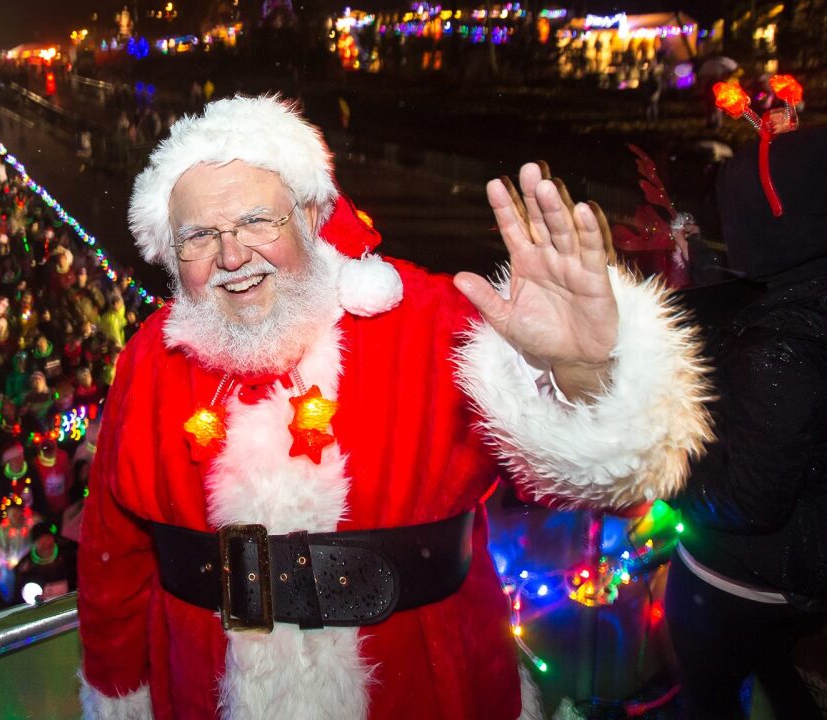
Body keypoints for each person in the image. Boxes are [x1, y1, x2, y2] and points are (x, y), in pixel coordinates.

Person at [77, 96, 711, 719]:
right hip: (199, 692)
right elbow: (114, 553)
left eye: (255, 221)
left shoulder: (429, 321)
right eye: (200, 236)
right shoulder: (149, 360)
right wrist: (116, 688)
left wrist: (583, 375)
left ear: (308, 218)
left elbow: (609, 482)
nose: (232, 256)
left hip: (429, 689)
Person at [667, 125, 827, 719]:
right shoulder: (806, 290)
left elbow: (752, 499)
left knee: (710, 699)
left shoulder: (780, 347)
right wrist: (703, 273)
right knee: (776, 681)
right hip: (797, 571)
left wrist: (662, 474)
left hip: (742, 580)